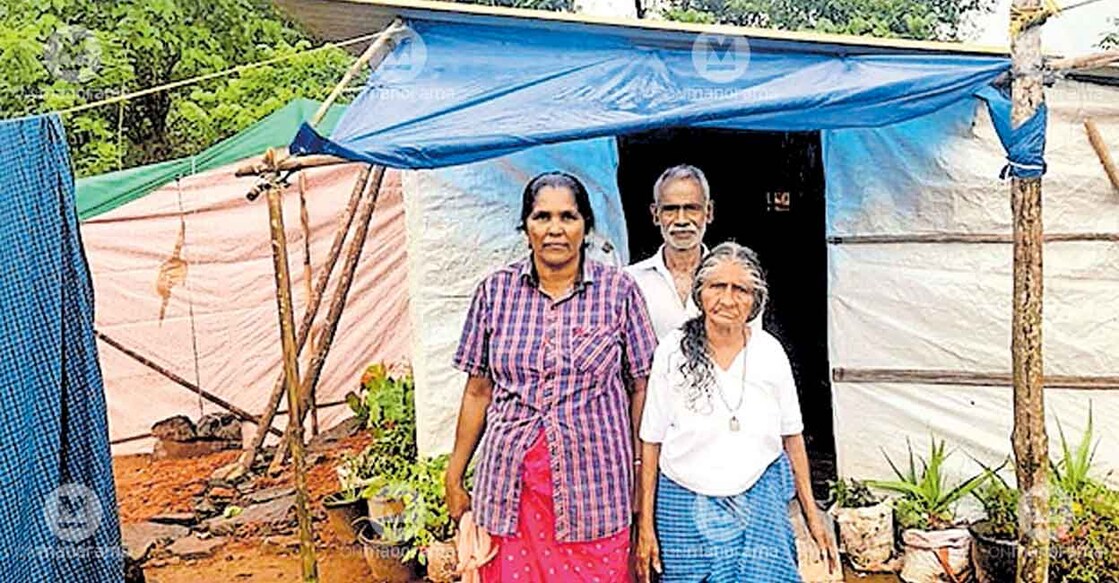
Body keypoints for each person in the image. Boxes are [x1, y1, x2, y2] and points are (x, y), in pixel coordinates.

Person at [444, 171, 658, 582]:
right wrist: (454, 476)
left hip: (595, 487)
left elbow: (642, 386)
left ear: (586, 227)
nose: (555, 229)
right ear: (526, 227)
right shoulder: (495, 293)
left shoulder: (619, 292)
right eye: (542, 217)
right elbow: (477, 391)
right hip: (510, 487)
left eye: (568, 216)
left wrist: (638, 470)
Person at [634, 242, 838, 582]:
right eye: (717, 286)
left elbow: (793, 436)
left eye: (740, 289)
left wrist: (812, 515)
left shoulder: (769, 353)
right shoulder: (672, 351)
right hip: (683, 501)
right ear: (700, 292)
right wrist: (645, 528)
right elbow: (651, 440)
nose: (727, 299)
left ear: (756, 300)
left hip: (759, 499)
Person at [627, 165, 761, 342]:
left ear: (709, 212)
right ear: (655, 215)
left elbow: (751, 346)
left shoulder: (737, 278)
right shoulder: (630, 281)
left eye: (692, 208)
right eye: (670, 209)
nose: (681, 220)